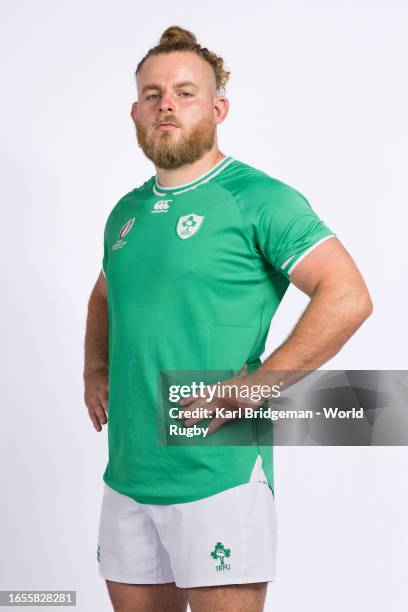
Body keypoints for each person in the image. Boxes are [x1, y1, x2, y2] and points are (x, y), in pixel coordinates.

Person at [83, 25, 373, 612]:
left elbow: (347, 296)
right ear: (135, 112)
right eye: (152, 94)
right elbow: (104, 295)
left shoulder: (259, 199)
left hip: (220, 474)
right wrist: (94, 368)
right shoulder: (126, 213)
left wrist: (255, 388)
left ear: (218, 108)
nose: (167, 104)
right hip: (129, 476)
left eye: (185, 92)